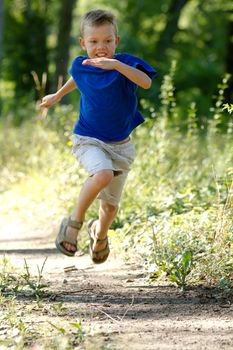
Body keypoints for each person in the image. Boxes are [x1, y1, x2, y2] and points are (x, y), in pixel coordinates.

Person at [40, 9, 156, 264]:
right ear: (83, 43)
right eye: (93, 42)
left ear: (117, 41)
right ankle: (74, 221)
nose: (101, 47)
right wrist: (57, 96)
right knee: (102, 174)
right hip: (88, 139)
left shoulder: (125, 64)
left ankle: (99, 233)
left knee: (110, 207)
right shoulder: (81, 65)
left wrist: (116, 65)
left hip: (121, 147)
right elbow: (77, 78)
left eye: (107, 41)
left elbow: (146, 82)